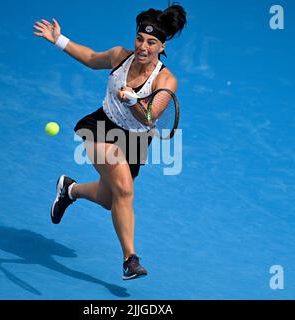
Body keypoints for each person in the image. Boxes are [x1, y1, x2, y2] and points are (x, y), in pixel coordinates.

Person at [33, 3, 186, 280]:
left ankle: (70, 190)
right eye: (140, 38)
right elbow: (92, 57)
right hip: (102, 127)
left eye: (151, 42)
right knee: (125, 192)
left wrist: (133, 101)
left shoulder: (166, 80)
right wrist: (59, 40)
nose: (143, 47)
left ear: (162, 47)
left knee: (109, 199)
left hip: (137, 141)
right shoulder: (119, 56)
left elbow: (150, 116)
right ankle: (130, 259)